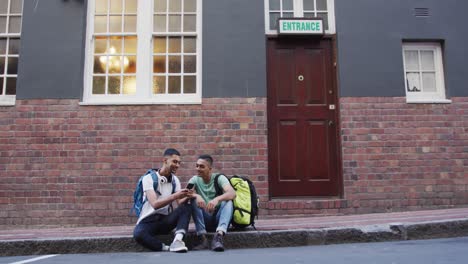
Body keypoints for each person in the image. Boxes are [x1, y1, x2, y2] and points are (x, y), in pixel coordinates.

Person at [133, 148, 193, 253]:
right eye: (174, 162)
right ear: (165, 161)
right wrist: (175, 196)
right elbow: (155, 204)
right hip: (148, 221)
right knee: (138, 234)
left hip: (164, 220)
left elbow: (179, 203)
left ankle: (178, 241)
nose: (177, 165)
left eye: (179, 163)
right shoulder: (148, 178)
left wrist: (188, 196)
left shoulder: (175, 180)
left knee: (186, 207)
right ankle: (164, 247)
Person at [187, 154, 236, 252]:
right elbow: (185, 195)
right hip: (205, 219)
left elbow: (232, 193)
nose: (198, 169)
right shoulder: (194, 179)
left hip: (219, 218)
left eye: (202, 166)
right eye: (197, 166)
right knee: (192, 200)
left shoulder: (220, 178)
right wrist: (197, 195)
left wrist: (217, 199)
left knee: (228, 201)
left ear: (210, 168)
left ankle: (218, 237)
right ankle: (202, 239)